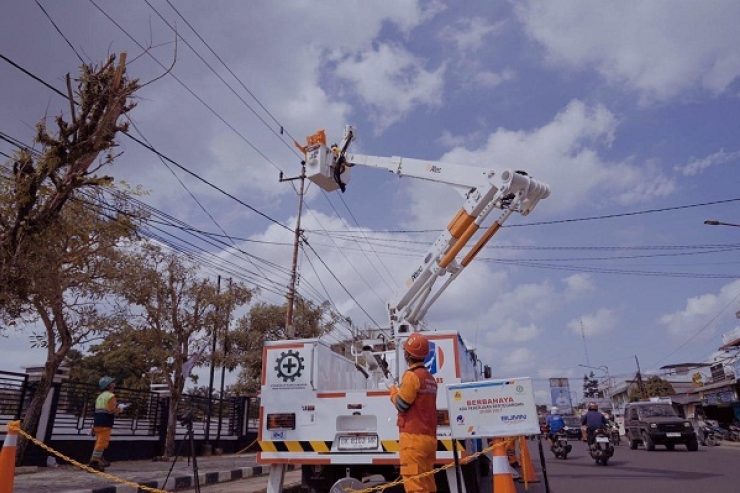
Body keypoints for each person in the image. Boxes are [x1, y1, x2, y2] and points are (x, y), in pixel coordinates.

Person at [386, 332, 438, 493]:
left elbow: (402, 405)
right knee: (427, 484)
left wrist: (392, 389)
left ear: (408, 354)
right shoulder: (429, 378)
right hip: (429, 439)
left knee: (415, 486)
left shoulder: (411, 376)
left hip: (413, 440)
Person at [87, 376, 123, 471]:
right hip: (105, 422)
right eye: (112, 383)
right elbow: (112, 411)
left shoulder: (100, 396)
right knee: (101, 443)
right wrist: (120, 409)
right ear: (108, 385)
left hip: (98, 422)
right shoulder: (111, 396)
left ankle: (97, 460)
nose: (114, 384)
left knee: (99, 442)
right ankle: (93, 463)